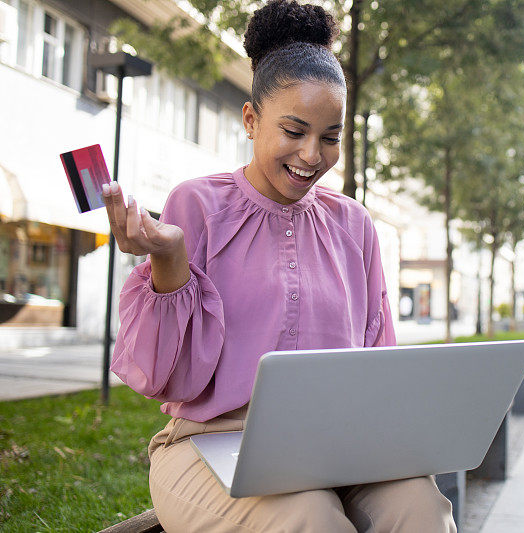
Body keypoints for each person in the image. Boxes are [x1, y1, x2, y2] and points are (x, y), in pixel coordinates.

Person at [101, 2, 456, 531]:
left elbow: (379, 362)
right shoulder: (198, 206)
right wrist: (169, 261)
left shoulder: (354, 224)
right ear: (251, 119)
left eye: (330, 137)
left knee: (421, 507)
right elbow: (167, 377)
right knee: (309, 517)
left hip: (339, 442)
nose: (312, 155)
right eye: (294, 131)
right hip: (211, 443)